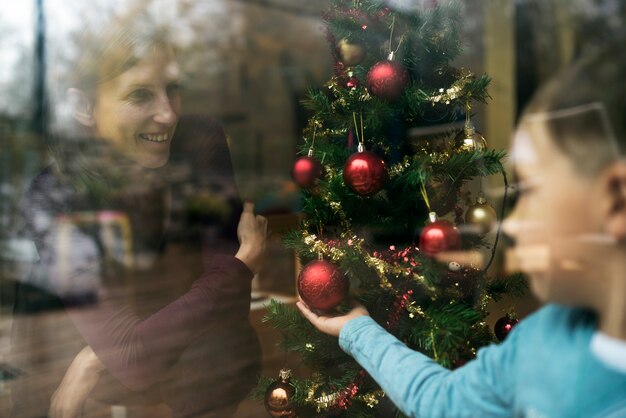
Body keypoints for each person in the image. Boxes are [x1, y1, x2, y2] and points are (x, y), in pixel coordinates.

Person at [297, 40, 626, 417]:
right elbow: (446, 402)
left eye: (534, 191)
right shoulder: (547, 338)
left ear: (615, 201)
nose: (514, 224)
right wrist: (358, 330)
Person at [10, 5, 267, 418]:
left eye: (173, 88)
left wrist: (96, 357)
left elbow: (229, 310)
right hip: (72, 354)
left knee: (219, 352)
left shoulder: (199, 141)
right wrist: (240, 267)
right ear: (84, 108)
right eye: (139, 94)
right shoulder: (53, 196)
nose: (168, 114)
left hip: (172, 351)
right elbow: (131, 360)